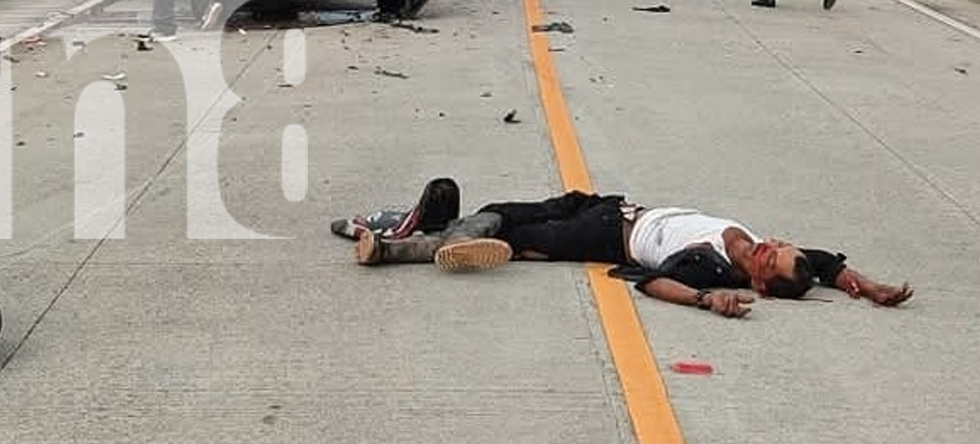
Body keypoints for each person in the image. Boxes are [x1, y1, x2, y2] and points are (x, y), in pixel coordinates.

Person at [350, 179, 913, 319]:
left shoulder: (712, 267)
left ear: (761, 285)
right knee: (510, 210)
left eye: (769, 259)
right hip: (614, 206)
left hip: (607, 237)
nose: (768, 246)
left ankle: (396, 249)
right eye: (779, 244)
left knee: (518, 238)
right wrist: (866, 286)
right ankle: (435, 224)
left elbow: (650, 281)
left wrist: (704, 301)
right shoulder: (778, 256)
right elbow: (827, 265)